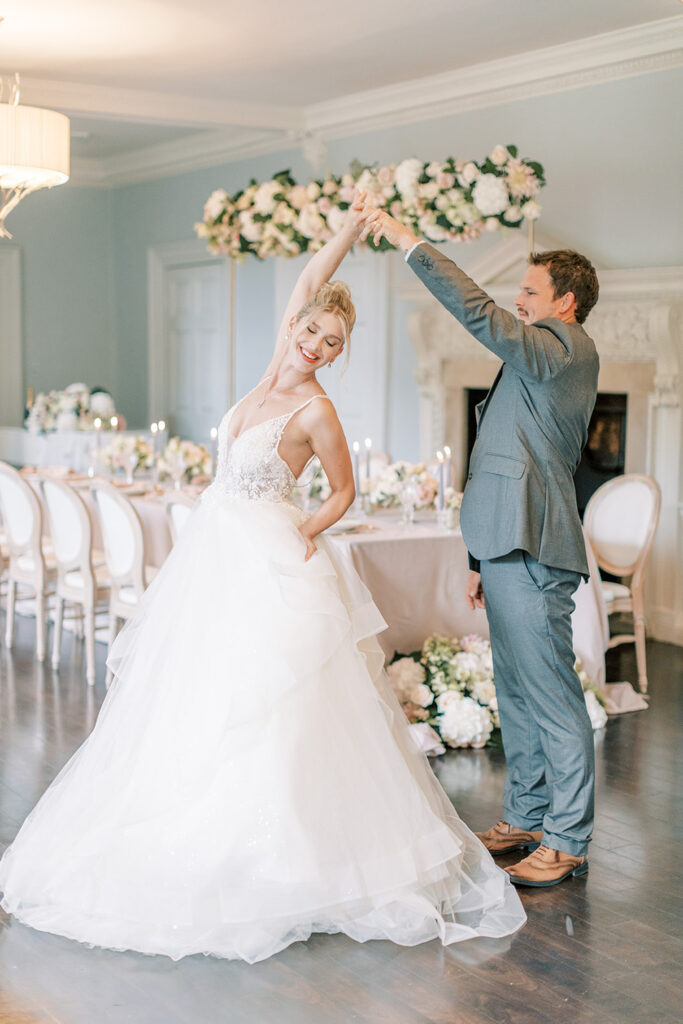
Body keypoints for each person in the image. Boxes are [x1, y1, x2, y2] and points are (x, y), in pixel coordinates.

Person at [0, 195, 525, 963]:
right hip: (215, 558)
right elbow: (314, 277)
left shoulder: (315, 410)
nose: (316, 342)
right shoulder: (265, 378)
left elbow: (343, 494)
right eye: (312, 329)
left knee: (274, 700)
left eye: (331, 340)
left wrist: (305, 533)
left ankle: (288, 854)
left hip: (274, 559)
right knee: (196, 693)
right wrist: (350, 226)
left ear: (338, 354)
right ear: (295, 327)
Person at [359, 202, 600, 888]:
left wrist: (411, 244)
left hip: (535, 544)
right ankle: (525, 817)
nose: (517, 301)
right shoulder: (538, 356)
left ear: (566, 302)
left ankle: (567, 836)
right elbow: (499, 456)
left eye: (529, 291)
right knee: (516, 691)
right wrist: (474, 557)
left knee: (550, 693)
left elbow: (480, 317)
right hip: (502, 542)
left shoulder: (566, 347)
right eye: (519, 291)